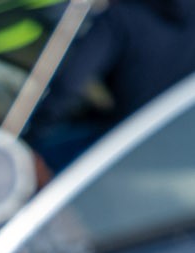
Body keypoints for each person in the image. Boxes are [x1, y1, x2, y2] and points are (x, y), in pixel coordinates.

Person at [32, 0, 195, 168]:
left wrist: (33, 135)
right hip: (182, 163)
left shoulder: (121, 16)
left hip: (125, 152)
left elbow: (67, 86)